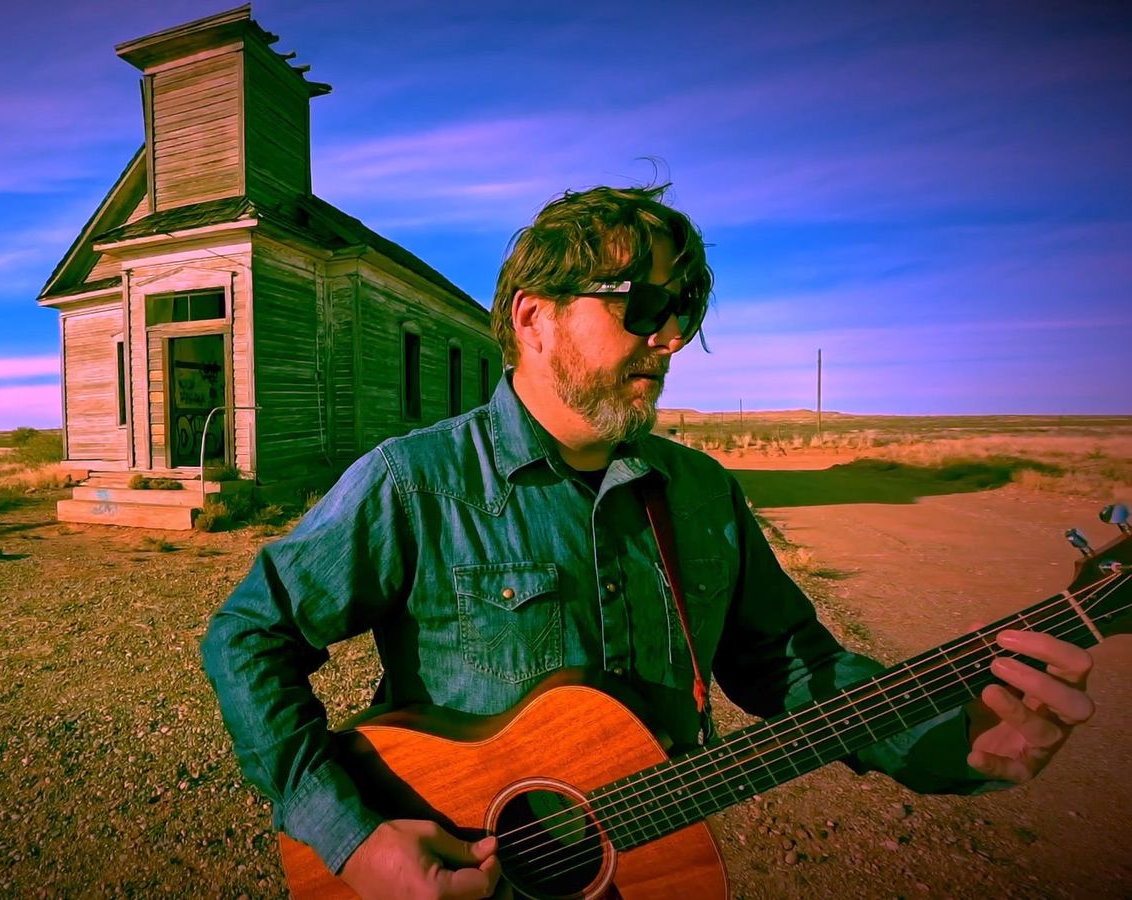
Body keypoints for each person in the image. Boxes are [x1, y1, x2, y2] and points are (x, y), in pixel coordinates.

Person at [201, 185, 1096, 899]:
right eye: (643, 306)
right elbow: (249, 636)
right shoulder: (415, 481)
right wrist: (355, 842)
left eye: (685, 311)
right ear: (533, 317)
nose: (669, 339)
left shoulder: (701, 492)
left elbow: (790, 666)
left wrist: (954, 737)